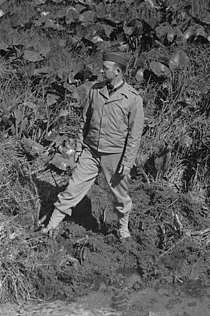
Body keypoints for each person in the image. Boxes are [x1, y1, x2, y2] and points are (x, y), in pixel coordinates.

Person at [42, 52, 144, 239]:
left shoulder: (133, 99)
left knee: (120, 196)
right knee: (73, 188)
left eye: (105, 68)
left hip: (115, 155)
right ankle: (51, 226)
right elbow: (84, 121)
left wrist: (127, 162)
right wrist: (80, 148)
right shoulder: (95, 91)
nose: (101, 70)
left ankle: (123, 230)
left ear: (118, 71)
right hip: (91, 151)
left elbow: (135, 135)